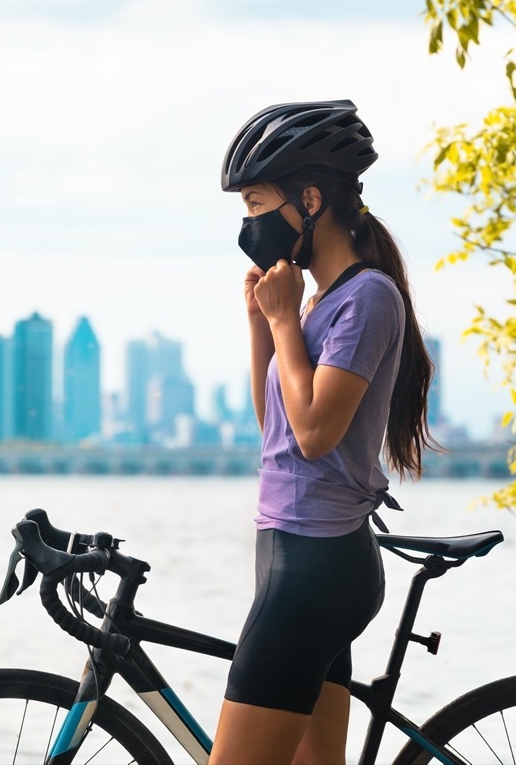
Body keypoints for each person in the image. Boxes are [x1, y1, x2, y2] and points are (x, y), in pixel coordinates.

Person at [209, 100, 436, 765]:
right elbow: (275, 426)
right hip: (293, 555)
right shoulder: (320, 303)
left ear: (309, 200)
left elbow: (315, 434)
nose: (249, 224)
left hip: (316, 567)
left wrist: (283, 322)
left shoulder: (367, 299)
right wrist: (262, 323)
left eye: (255, 203)